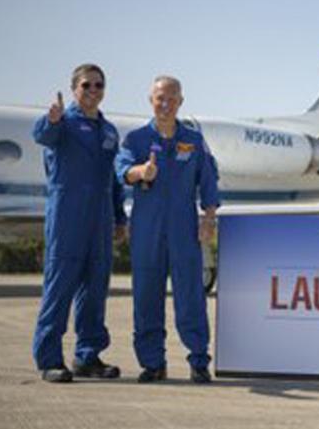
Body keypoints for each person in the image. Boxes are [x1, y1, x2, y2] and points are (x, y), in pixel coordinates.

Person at [115, 75, 220, 384]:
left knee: (190, 295)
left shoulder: (194, 140)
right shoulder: (135, 139)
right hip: (147, 230)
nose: (165, 104)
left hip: (183, 229)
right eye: (160, 98)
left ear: (180, 102)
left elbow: (208, 180)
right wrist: (141, 171)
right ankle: (153, 363)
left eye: (172, 98)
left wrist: (209, 218)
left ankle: (198, 361)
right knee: (146, 296)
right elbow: (122, 171)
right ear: (151, 100)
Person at [32, 64, 127, 383]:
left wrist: (120, 218)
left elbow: (114, 179)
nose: (93, 91)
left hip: (100, 218)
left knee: (95, 289)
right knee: (59, 288)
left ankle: (88, 356)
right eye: (86, 85)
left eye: (99, 85)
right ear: (75, 89)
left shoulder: (109, 131)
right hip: (67, 217)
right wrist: (52, 119)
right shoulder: (62, 124)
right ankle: (49, 359)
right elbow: (42, 135)